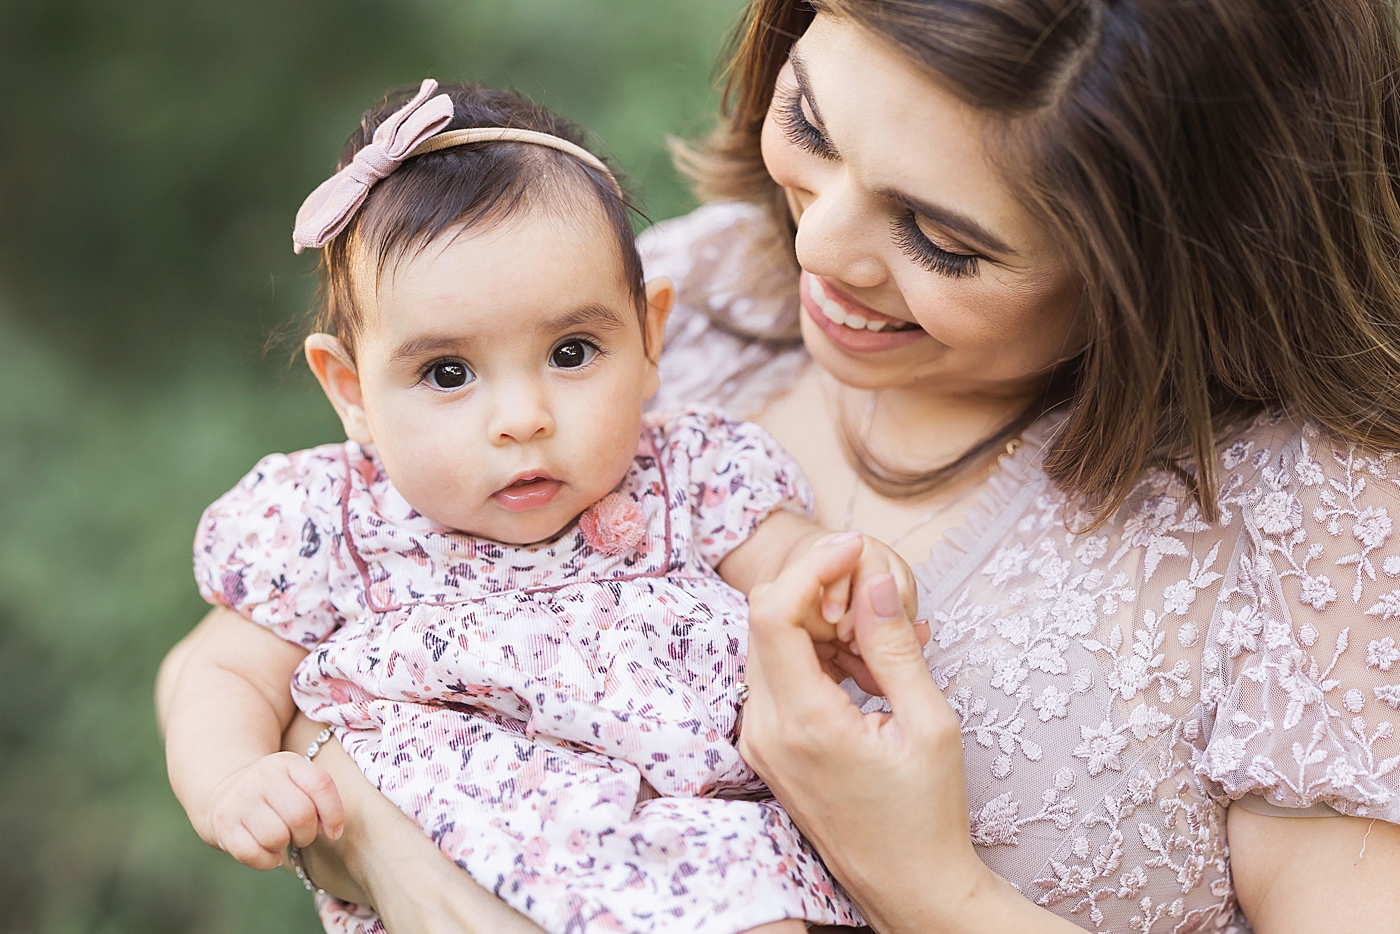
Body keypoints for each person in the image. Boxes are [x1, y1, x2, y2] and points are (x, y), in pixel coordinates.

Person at [157, 0, 1400, 931]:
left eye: (940, 239)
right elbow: (288, 656)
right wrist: (354, 823)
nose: (821, 241)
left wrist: (925, 881)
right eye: (809, 125)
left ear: (1171, 261)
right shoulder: (694, 294)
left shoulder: (1311, 524)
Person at [161, 78, 919, 934]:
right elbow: (221, 672)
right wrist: (231, 779)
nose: (523, 418)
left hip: (695, 849)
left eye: (572, 350)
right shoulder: (332, 519)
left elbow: (785, 561)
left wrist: (839, 580)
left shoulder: (688, 471)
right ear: (352, 391)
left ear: (649, 338)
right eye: (448, 373)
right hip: (471, 850)